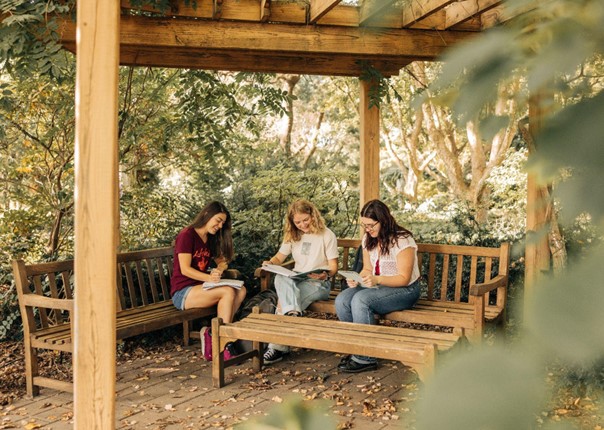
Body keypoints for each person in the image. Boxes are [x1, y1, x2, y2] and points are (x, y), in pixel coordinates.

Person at [335, 199, 421, 373]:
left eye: (371, 225)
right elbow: (367, 269)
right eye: (364, 225)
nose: (367, 229)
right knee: (342, 299)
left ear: (383, 220)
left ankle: (366, 357)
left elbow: (404, 278)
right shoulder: (369, 238)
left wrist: (377, 280)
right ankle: (356, 350)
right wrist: (357, 279)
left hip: (405, 290)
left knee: (361, 300)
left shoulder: (403, 240)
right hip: (379, 288)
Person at [261, 199, 339, 364]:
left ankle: (276, 348)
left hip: (318, 283)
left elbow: (333, 267)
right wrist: (270, 263)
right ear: (292, 222)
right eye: (297, 222)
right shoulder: (292, 235)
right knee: (280, 277)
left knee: (283, 304)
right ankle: (293, 314)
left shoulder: (327, 234)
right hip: (295, 280)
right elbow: (279, 257)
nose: (302, 225)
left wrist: (326, 275)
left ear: (313, 215)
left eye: (305, 220)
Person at [170, 201, 247, 361]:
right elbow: (184, 269)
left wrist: (220, 268)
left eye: (223, 223)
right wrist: (209, 277)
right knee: (227, 291)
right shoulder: (187, 235)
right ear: (207, 215)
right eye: (218, 220)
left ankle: (213, 333)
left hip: (201, 288)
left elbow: (222, 260)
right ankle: (223, 343)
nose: (220, 226)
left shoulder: (210, 238)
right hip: (183, 292)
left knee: (241, 290)